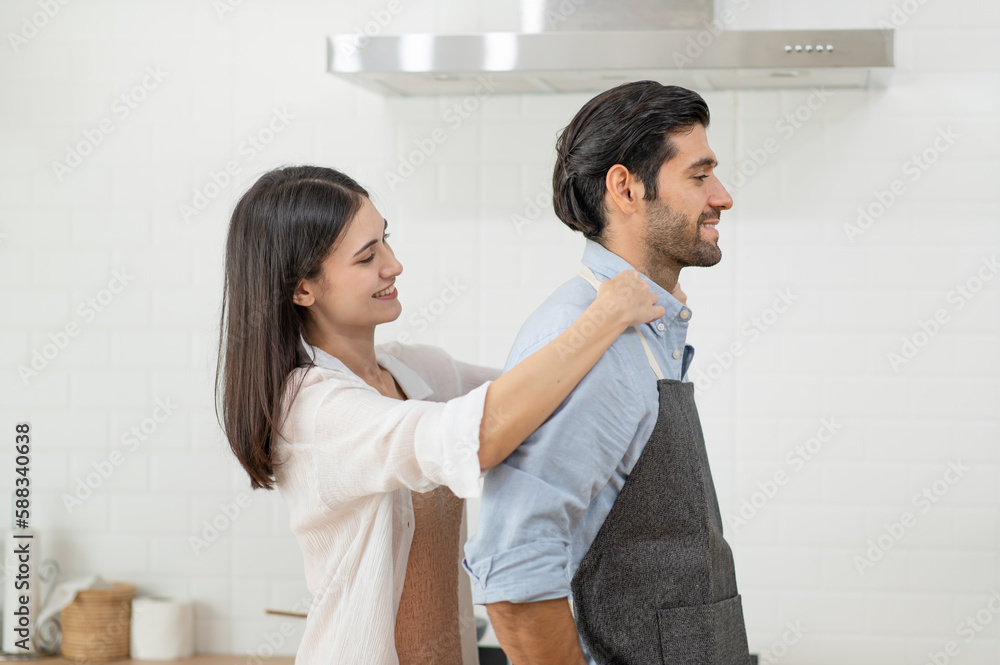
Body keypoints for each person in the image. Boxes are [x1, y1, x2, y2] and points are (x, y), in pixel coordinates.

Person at [214, 165, 665, 665]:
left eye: (385, 240)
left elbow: (543, 397)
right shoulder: (313, 408)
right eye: (367, 257)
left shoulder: (418, 370)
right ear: (303, 290)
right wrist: (602, 316)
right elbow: (480, 435)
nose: (394, 264)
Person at [463, 81, 752, 665]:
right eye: (699, 176)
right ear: (625, 188)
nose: (722, 196)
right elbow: (515, 569)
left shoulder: (642, 331)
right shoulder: (587, 339)